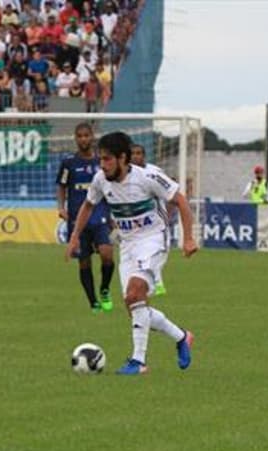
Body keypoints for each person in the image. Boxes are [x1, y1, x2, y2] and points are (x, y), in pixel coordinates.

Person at [66, 131, 198, 376]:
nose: (102, 165)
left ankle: (138, 362)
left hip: (153, 240)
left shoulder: (148, 177)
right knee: (134, 305)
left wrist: (189, 238)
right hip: (127, 245)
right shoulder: (100, 180)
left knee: (136, 292)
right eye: (101, 159)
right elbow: (88, 205)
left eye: (107, 159)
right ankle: (181, 337)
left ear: (123, 158)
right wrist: (74, 237)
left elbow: (180, 200)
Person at [57, 122, 114, 313]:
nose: (83, 139)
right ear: (75, 138)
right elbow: (61, 186)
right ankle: (93, 301)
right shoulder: (69, 163)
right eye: (79, 136)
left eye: (86, 135)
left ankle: (105, 289)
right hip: (77, 217)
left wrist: (113, 212)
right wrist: (61, 207)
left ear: (92, 137)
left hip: (99, 215)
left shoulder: (101, 162)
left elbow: (110, 187)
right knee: (84, 261)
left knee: (107, 254)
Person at [130, 143, 171, 296]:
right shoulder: (123, 175)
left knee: (158, 252)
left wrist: (169, 213)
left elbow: (172, 193)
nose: (136, 156)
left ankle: (157, 281)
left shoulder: (154, 172)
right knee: (139, 255)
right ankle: (154, 282)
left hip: (157, 222)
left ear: (144, 156)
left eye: (139, 153)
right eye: (133, 153)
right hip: (135, 225)